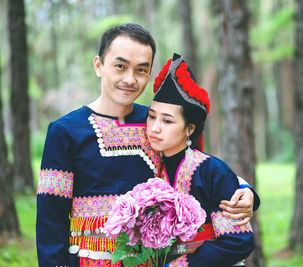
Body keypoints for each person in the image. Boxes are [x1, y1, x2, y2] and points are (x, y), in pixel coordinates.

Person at [36, 23, 259, 267]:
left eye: (141, 70)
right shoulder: (65, 131)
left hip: (153, 261)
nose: (130, 79)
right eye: (120, 66)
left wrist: (247, 193)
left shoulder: (155, 123)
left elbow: (197, 165)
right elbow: (51, 221)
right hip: (89, 260)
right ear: (99, 66)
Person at [146, 53, 255, 267]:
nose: (155, 127)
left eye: (167, 120)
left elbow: (237, 241)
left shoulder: (211, 170)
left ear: (190, 128)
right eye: (151, 116)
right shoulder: (150, 166)